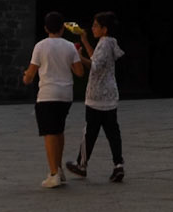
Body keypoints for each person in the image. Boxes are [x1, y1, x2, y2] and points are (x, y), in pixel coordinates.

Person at [23, 11, 84, 188]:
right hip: (65, 95)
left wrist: (25, 77)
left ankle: (53, 173)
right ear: (62, 28)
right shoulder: (70, 47)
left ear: (46, 28)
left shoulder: (40, 46)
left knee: (49, 133)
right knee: (58, 130)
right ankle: (58, 167)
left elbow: (30, 75)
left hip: (48, 94)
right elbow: (79, 72)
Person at [67, 12, 125, 183]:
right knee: (113, 132)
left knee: (90, 132)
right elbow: (96, 58)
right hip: (110, 95)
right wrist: (84, 40)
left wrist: (77, 56)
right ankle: (118, 165)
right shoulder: (108, 42)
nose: (92, 28)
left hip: (97, 95)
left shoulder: (104, 43)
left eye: (95, 26)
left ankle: (82, 164)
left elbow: (94, 65)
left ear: (104, 29)